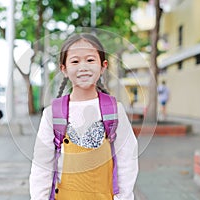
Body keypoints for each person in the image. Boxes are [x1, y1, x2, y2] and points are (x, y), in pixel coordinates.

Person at [29, 33, 138, 200]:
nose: (83, 67)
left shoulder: (114, 110)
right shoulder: (52, 114)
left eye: (90, 60)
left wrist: (123, 197)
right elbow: (42, 165)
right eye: (75, 61)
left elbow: (127, 159)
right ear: (63, 69)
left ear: (103, 66)